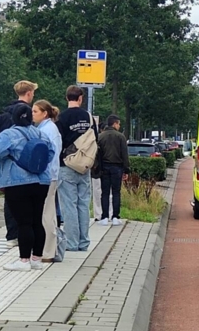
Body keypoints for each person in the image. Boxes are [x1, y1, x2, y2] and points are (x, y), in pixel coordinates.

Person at [0, 103, 55, 271]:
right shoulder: (40, 133)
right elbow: (51, 152)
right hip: (41, 182)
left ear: (14, 117)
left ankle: (23, 260)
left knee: (23, 223)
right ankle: (36, 259)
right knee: (37, 221)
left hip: (18, 182)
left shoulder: (9, 134)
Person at [0, 80, 38, 249]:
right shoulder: (26, 115)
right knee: (28, 204)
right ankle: (24, 236)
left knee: (10, 200)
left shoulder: (3, 115)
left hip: (5, 164)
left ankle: (12, 235)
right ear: (29, 93)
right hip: (24, 165)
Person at [56, 86, 98, 257]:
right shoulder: (88, 117)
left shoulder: (61, 118)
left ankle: (72, 243)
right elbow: (95, 140)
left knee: (69, 205)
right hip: (84, 166)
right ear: (80, 98)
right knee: (83, 203)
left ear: (67, 98)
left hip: (66, 165)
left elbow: (58, 142)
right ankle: (84, 241)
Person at [33, 100, 62, 262]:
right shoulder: (48, 128)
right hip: (50, 175)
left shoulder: (47, 130)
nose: (32, 114)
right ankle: (49, 249)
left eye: (35, 111)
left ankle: (48, 250)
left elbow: (48, 155)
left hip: (47, 176)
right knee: (48, 212)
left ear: (45, 113)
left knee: (46, 213)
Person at [97, 115, 130, 227]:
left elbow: (98, 154)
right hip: (117, 168)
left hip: (104, 167)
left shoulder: (100, 136)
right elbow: (125, 155)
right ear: (115, 123)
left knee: (104, 192)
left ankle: (104, 216)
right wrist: (126, 170)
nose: (119, 126)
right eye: (119, 124)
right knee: (116, 192)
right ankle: (115, 216)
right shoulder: (121, 137)